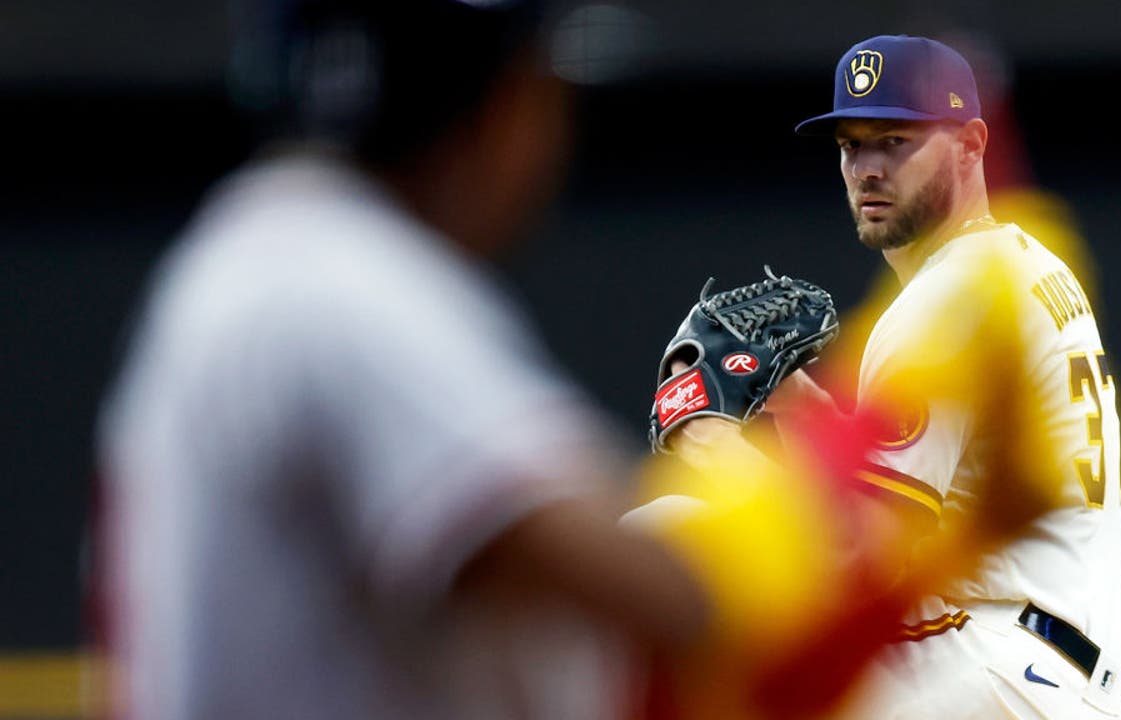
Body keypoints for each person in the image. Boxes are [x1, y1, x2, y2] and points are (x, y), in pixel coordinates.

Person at [94, 1, 710, 718]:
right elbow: (669, 595)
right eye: (539, 86)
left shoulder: (249, 258)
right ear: (475, 102)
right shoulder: (334, 283)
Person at [670, 34, 1121, 718]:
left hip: (998, 670)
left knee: (679, 530)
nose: (869, 168)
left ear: (973, 144)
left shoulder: (944, 295)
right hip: (1047, 673)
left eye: (895, 141)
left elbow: (861, 561)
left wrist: (711, 442)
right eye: (851, 145)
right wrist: (812, 418)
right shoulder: (1023, 265)